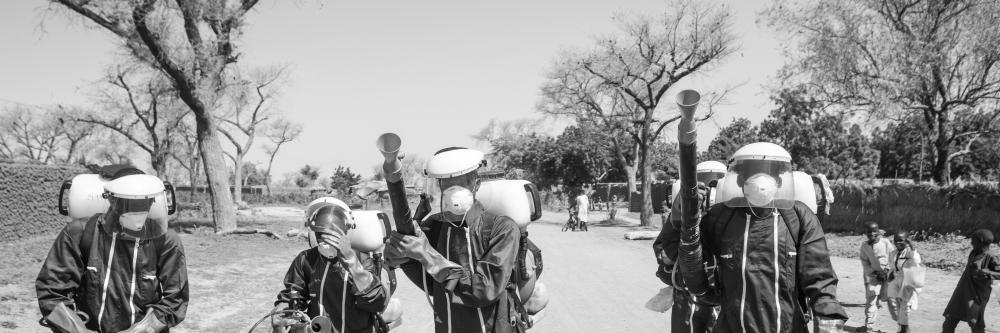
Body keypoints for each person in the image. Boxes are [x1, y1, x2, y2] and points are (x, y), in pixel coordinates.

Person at [676, 142, 848, 333]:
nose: (760, 181)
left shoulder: (799, 217)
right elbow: (687, 263)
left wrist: (828, 320)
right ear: (740, 181)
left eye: (770, 173)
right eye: (751, 173)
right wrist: (685, 215)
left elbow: (819, 278)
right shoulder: (719, 218)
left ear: (780, 181)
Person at [382, 146, 527, 333]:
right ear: (439, 186)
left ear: (476, 184)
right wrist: (404, 256)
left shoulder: (503, 228)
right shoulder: (434, 225)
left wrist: (427, 255)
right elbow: (432, 285)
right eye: (446, 184)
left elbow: (484, 290)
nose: (453, 192)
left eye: (460, 184)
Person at [36, 168, 188, 333]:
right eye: (130, 203)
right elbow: (51, 291)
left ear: (152, 201)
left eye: (145, 201)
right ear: (113, 201)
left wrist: (143, 329)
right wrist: (77, 329)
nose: (138, 210)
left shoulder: (166, 240)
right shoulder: (81, 232)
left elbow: (176, 299)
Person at [271, 201, 389, 333]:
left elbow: (377, 303)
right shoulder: (306, 259)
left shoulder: (362, 260)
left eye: (332, 235)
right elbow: (293, 295)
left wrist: (351, 261)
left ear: (345, 233)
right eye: (319, 234)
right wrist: (283, 308)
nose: (324, 241)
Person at [653, 161, 727, 333]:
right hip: (690, 302)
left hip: (725, 301)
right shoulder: (680, 218)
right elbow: (666, 264)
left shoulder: (733, 218)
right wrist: (684, 216)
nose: (709, 192)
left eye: (715, 185)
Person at [942, 229, 1000, 333]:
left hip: (976, 295)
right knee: (949, 319)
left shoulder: (991, 257)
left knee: (976, 323)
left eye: (973, 240)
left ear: (981, 241)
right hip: (961, 291)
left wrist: (986, 273)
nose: (971, 243)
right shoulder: (973, 253)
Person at [857, 223, 895, 332]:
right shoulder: (865, 246)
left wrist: (887, 270)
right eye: (869, 232)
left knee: (891, 300)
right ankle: (868, 326)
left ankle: (903, 325)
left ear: (879, 232)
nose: (872, 234)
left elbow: (892, 257)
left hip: (887, 276)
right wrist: (874, 273)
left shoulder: (885, 242)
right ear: (866, 233)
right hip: (873, 277)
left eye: (874, 231)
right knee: (871, 300)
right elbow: (865, 263)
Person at [885, 231, 921, 333]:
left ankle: (904, 329)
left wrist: (912, 247)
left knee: (905, 307)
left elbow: (916, 261)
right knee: (898, 305)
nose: (897, 243)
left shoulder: (910, 252)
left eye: (901, 240)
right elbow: (892, 266)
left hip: (907, 283)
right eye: (896, 241)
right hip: (897, 281)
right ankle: (903, 328)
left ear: (907, 241)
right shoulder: (893, 253)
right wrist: (890, 274)